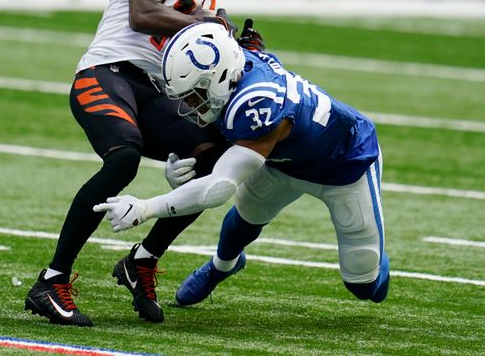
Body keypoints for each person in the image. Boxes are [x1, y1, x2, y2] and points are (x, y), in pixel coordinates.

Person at [24, 0, 252, 327]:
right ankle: (51, 280)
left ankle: (142, 260)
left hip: (151, 89)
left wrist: (233, 50)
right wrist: (202, 21)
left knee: (217, 161)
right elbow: (142, 11)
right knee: (123, 157)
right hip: (106, 72)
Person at [94, 21, 389, 305]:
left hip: (344, 165)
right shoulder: (236, 67)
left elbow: (217, 188)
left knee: (364, 286)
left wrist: (146, 208)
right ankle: (222, 266)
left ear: (220, 79)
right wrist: (190, 163)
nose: (191, 105)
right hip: (282, 160)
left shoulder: (256, 104)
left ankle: (379, 256)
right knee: (247, 217)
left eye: (196, 95)